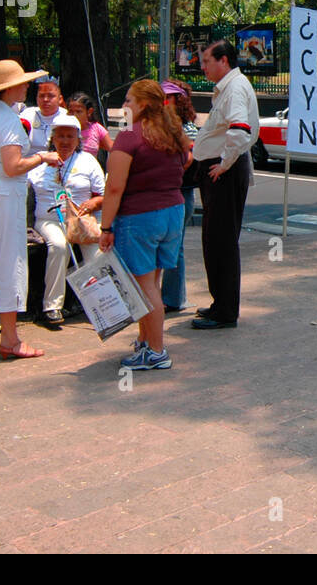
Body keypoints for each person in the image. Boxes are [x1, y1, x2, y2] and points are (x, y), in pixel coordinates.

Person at [0, 60, 61, 359]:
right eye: (22, 82)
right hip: (4, 198)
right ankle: (10, 337)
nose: (27, 86)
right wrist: (43, 157)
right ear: (8, 88)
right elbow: (12, 166)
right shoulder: (6, 119)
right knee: (10, 262)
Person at [97, 79, 191, 370]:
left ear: (142, 104)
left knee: (144, 288)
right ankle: (146, 340)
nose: (124, 106)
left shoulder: (129, 135)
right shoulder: (171, 131)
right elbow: (187, 159)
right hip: (173, 211)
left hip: (139, 217)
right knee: (152, 283)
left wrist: (105, 227)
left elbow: (114, 187)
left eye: (128, 101)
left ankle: (156, 351)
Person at [190, 41, 259, 330]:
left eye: (207, 61)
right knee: (214, 240)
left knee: (222, 242)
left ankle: (225, 311)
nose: (202, 66)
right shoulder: (229, 87)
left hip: (224, 173)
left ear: (224, 61)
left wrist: (224, 163)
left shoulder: (235, 88)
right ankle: (220, 303)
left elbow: (240, 131)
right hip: (220, 170)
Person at [28, 116, 105, 325]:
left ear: (78, 139)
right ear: (52, 138)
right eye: (60, 136)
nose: (64, 140)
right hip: (49, 219)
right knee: (59, 246)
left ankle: (104, 303)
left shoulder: (88, 161)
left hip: (81, 220)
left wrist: (93, 204)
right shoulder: (40, 161)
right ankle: (52, 306)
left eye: (70, 136)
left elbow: (102, 194)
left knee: (97, 254)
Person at [160, 79, 200, 313]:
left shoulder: (187, 128)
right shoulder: (162, 124)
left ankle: (173, 298)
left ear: (178, 101)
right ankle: (171, 296)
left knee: (175, 246)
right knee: (169, 245)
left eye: (167, 98)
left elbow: (188, 159)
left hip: (179, 193)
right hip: (168, 192)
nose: (163, 102)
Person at [21, 77, 71, 153]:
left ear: (60, 99)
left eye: (51, 96)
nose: (45, 100)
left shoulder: (67, 117)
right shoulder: (27, 114)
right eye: (41, 96)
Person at [68, 92, 113, 158]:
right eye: (71, 111)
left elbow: (113, 149)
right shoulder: (64, 128)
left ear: (89, 112)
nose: (74, 115)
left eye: (78, 111)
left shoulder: (96, 128)